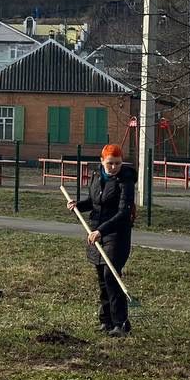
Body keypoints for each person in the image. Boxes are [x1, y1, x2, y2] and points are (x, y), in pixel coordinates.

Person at [67, 143, 137, 337]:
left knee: (111, 275)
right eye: (110, 163)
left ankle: (121, 323)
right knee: (101, 277)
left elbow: (124, 213)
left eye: (117, 163)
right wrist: (78, 205)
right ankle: (106, 321)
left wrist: (101, 230)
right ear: (102, 161)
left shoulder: (126, 181)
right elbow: (94, 202)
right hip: (96, 232)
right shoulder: (97, 177)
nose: (114, 167)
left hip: (117, 234)